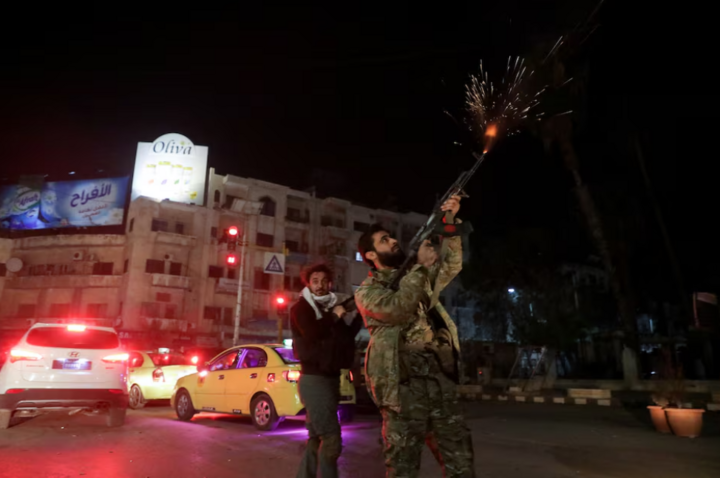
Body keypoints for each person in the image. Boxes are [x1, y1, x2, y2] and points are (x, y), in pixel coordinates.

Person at [354, 195, 475, 478]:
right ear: (370, 255)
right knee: (403, 469)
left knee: (461, 464)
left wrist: (448, 222)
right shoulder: (367, 292)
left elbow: (450, 266)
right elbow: (398, 309)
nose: (393, 241)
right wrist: (419, 267)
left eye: (392, 237)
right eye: (384, 240)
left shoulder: (415, 276)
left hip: (439, 384)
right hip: (403, 393)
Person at [291, 263, 363, 478]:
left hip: (331, 379)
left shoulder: (331, 308)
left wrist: (360, 312)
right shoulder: (301, 308)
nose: (320, 285)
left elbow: (347, 336)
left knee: (315, 437)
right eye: (315, 281)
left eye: (324, 281)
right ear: (308, 283)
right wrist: (335, 315)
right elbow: (313, 333)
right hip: (314, 380)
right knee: (331, 439)